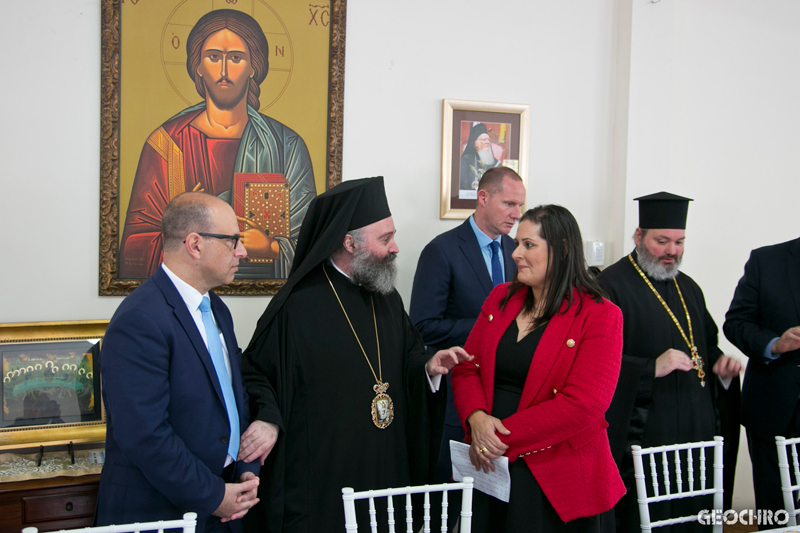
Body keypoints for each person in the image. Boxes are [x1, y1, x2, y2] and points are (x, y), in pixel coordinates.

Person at [239, 176, 473, 532]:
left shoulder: (387, 298)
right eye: (385, 239)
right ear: (349, 243)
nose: (395, 248)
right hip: (325, 473)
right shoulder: (297, 308)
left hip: (386, 463)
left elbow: (407, 356)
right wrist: (268, 418)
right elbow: (257, 373)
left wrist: (426, 366)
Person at [452, 205, 624, 532]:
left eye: (528, 245)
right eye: (517, 243)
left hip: (552, 474)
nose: (515, 253)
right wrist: (476, 419)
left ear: (562, 251)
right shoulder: (501, 298)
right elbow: (466, 367)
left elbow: (584, 404)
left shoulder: (600, 314)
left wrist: (496, 437)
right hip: (490, 466)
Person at [97, 192, 261, 532]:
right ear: (195, 244)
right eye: (233, 241)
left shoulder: (217, 309)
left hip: (224, 506)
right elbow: (145, 435)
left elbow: (234, 398)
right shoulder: (140, 319)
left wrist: (246, 468)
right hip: (160, 512)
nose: (242, 252)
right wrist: (214, 495)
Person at [119, 9, 316, 280]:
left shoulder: (287, 146)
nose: (223, 71)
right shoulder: (166, 144)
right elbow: (135, 247)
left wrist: (270, 247)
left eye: (235, 58)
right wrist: (187, 226)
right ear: (197, 65)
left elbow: (312, 244)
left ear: (253, 66)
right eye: (213, 57)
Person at [598, 192, 741, 533]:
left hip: (695, 427)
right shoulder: (609, 287)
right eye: (661, 241)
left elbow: (706, 343)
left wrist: (720, 365)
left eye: (679, 242)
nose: (672, 251)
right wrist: (649, 368)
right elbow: (595, 362)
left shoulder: (688, 287)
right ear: (638, 237)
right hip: (646, 431)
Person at [409, 167, 525, 495]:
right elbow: (422, 326)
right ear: (483, 198)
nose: (516, 215)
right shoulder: (442, 251)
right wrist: (489, 324)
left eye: (520, 206)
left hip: (502, 397)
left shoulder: (515, 251)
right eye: (509, 204)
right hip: (456, 397)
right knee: (450, 500)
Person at [724, 237, 800, 516]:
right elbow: (736, 322)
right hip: (773, 407)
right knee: (775, 510)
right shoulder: (766, 260)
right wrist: (775, 344)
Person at [459, 123, 501, 192]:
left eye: (488, 140)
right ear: (476, 143)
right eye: (484, 140)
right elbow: (462, 184)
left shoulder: (496, 164)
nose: (487, 142)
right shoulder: (465, 161)